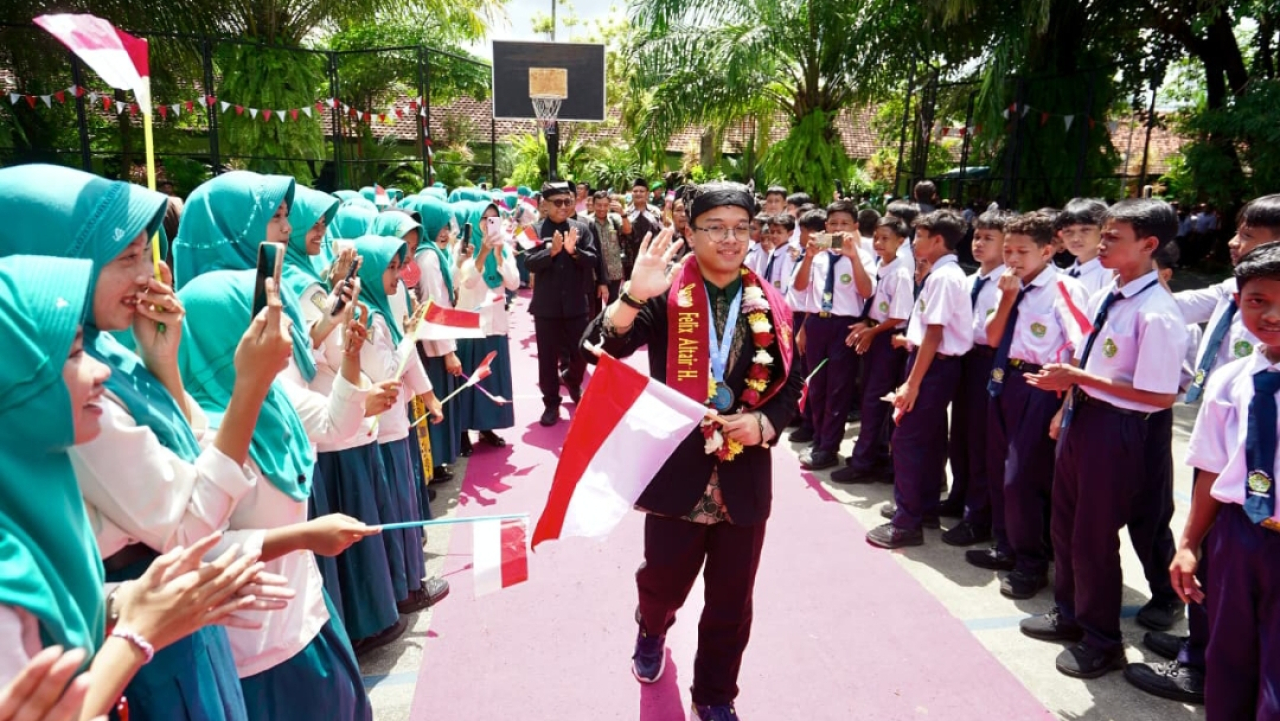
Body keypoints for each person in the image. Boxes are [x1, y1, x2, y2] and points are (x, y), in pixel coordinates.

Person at [0, 164, 298, 721]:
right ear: (56, 263)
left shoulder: (104, 355)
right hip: (141, 653)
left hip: (152, 618)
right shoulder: (49, 394)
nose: (147, 273)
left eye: (146, 252)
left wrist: (163, 366)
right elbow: (189, 520)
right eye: (124, 257)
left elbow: (188, 451)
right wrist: (250, 387)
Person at [584, 182, 802, 721]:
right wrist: (633, 296)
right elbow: (599, 350)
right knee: (662, 581)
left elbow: (791, 388)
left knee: (732, 601)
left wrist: (764, 423)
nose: (730, 239)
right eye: (715, 227)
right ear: (690, 231)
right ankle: (651, 628)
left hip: (744, 479)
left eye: (740, 228)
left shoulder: (771, 304)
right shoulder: (666, 294)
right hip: (677, 475)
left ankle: (715, 696)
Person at [177, 269, 380, 721]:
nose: (289, 327)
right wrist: (304, 536)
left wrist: (350, 357)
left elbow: (335, 425)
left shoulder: (275, 394)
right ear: (229, 335)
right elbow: (197, 548)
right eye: (269, 320)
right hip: (256, 643)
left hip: (307, 609)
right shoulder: (203, 434)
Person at [1020, 199, 1188, 679]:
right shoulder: (1112, 293)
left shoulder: (1157, 312)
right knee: (1066, 523)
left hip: (1119, 429)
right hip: (1086, 419)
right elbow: (1093, 360)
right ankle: (1070, 612)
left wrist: (1078, 379)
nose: (1103, 243)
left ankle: (1102, 640)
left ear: (1149, 245)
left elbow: (1157, 395)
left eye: (1114, 236)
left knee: (1094, 535)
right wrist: (1071, 401)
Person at [1126, 194, 1280, 704]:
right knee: (1216, 581)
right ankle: (1199, 651)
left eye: (1250, 238)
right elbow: (1170, 304)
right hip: (1232, 478)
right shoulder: (1231, 295)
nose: (1235, 244)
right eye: (1237, 234)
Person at [286, 189, 405, 652]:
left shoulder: (304, 278)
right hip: (327, 421)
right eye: (309, 224)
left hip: (327, 420)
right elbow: (323, 352)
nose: (321, 233)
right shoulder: (299, 283)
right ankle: (365, 621)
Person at [1169, 241, 1280, 720]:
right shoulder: (1232, 377)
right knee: (1228, 658)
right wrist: (1191, 542)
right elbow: (1212, 466)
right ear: (1238, 302)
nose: (1272, 315)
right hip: (1237, 535)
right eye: (1258, 300)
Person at [977, 211, 1086, 600]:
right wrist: (1005, 298)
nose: (1013, 258)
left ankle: (1031, 562)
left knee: (1023, 477)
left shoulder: (1063, 289)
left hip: (1043, 384)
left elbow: (1081, 348)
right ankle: (1006, 545)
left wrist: (1065, 404)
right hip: (1006, 377)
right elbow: (991, 338)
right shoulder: (1009, 286)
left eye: (1023, 251)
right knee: (1000, 466)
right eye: (1008, 250)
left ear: (1048, 249)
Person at [867, 210, 974, 549]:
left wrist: (911, 383)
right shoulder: (941, 273)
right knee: (925, 439)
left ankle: (906, 523)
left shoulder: (944, 277)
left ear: (938, 240)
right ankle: (922, 507)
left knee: (908, 441)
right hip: (934, 364)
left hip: (933, 366)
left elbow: (935, 333)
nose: (915, 244)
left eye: (920, 237)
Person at [790, 203, 874, 469]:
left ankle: (828, 447)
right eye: (833, 224)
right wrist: (809, 257)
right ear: (826, 227)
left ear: (855, 228)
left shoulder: (863, 257)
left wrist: (853, 258)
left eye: (845, 224)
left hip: (844, 325)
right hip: (817, 323)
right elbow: (800, 287)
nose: (838, 229)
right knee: (816, 385)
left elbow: (866, 290)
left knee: (838, 388)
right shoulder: (818, 255)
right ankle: (818, 437)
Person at [940, 210, 1006, 546]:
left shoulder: (1007, 284)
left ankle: (978, 516)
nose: (978, 244)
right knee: (961, 434)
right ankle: (958, 495)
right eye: (977, 237)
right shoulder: (970, 280)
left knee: (981, 440)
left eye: (988, 238)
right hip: (965, 360)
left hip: (988, 362)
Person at [835, 216, 913, 483]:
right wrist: (867, 324)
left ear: (901, 242)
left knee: (874, 399)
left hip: (888, 338)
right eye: (877, 237)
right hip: (876, 332)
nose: (878, 243)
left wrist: (872, 331)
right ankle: (873, 454)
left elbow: (899, 315)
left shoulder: (901, 272)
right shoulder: (882, 265)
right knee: (871, 396)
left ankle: (863, 461)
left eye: (886, 239)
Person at [526, 181, 599, 427]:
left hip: (577, 304)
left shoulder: (582, 228)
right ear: (545, 205)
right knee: (547, 358)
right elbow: (528, 263)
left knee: (583, 351)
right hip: (547, 308)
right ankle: (551, 403)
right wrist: (552, 252)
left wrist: (574, 251)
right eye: (558, 202)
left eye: (568, 201)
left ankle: (572, 378)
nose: (564, 207)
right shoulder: (533, 230)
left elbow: (593, 259)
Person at [455, 203, 519, 449]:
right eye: (484, 219)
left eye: (494, 218)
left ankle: (486, 427)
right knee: (468, 380)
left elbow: (513, 283)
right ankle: (462, 431)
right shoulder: (465, 247)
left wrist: (499, 255)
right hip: (471, 325)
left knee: (490, 380)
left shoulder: (503, 248)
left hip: (495, 324)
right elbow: (468, 282)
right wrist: (481, 253)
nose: (489, 223)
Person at [1057, 199, 1113, 298]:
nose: (1075, 238)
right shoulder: (1065, 274)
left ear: (1103, 230)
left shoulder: (1108, 274)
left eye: (1085, 230)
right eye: (1068, 231)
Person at [588, 190, 629, 307]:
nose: (602, 208)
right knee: (595, 308)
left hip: (614, 271)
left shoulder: (615, 219)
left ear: (609, 205)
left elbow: (627, 230)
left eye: (605, 205)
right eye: (599, 205)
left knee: (612, 307)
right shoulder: (587, 221)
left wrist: (623, 213)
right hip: (595, 273)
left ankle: (609, 326)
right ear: (593, 204)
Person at [624, 179, 661, 280]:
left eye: (641, 191)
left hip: (652, 260)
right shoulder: (625, 213)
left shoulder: (656, 212)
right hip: (630, 262)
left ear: (647, 194)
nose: (638, 194)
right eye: (635, 191)